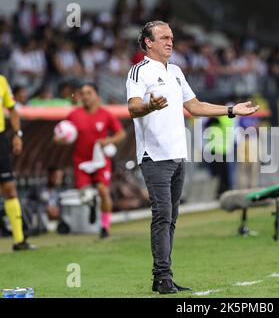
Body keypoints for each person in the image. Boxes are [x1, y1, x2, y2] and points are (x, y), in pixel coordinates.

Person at [126, 21, 259, 294]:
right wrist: (149, 105)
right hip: (155, 155)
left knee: (171, 216)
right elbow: (133, 107)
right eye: (164, 37)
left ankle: (164, 276)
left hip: (178, 154)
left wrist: (232, 109)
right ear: (148, 42)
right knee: (162, 214)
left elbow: (195, 107)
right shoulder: (139, 71)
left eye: (171, 38)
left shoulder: (175, 71)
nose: (170, 42)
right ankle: (162, 277)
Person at [54, 83, 126, 238]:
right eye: (82, 93)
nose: (85, 96)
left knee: (103, 191)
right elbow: (62, 133)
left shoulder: (106, 115)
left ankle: (105, 227)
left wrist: (109, 140)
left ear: (96, 96)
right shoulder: (74, 115)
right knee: (85, 195)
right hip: (81, 162)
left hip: (100, 161)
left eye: (89, 92)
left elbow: (121, 134)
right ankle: (91, 204)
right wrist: (60, 139)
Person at [0, 74, 36, 251]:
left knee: (9, 188)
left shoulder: (2, 81)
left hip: (0, 140)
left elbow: (12, 110)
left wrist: (17, 135)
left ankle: (19, 240)